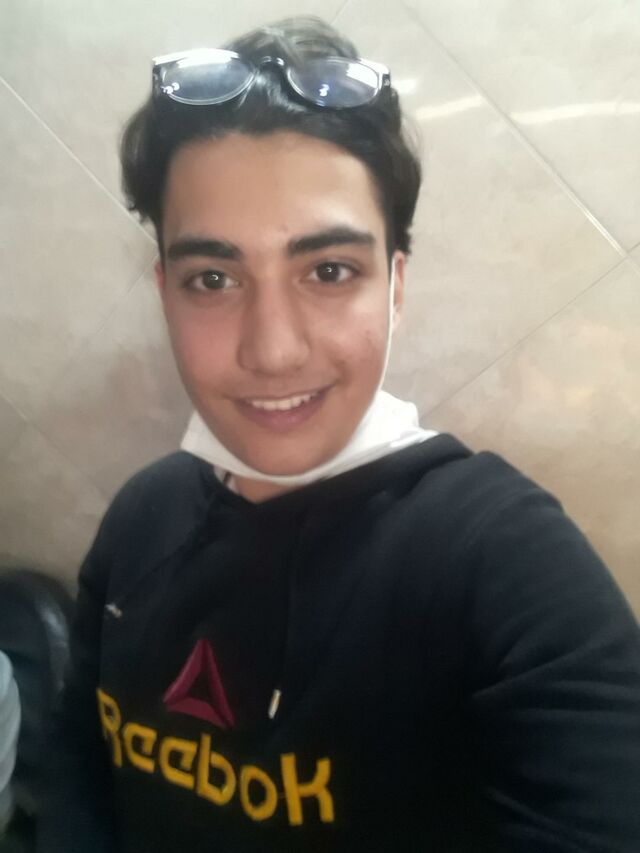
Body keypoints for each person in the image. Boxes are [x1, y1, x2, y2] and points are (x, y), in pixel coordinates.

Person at [37, 16, 640, 853]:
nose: (273, 350)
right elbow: (77, 771)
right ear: (165, 290)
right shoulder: (142, 514)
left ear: (395, 286)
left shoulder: (504, 564)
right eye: (212, 278)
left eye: (329, 271)